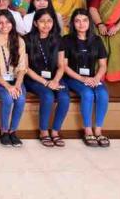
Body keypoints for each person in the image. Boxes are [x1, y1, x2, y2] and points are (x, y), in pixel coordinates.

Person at [62, 9, 111, 147]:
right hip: (73, 77)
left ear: (90, 22)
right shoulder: (66, 40)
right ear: (73, 24)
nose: (81, 24)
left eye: (84, 20)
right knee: (87, 93)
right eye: (77, 21)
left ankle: (98, 130)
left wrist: (97, 78)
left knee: (103, 93)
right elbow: (64, 66)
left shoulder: (97, 40)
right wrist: (82, 79)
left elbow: (103, 65)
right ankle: (88, 130)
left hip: (93, 77)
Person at [23, 10, 70, 148]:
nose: (46, 24)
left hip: (54, 77)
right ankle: (43, 132)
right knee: (48, 96)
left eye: (49, 21)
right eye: (42, 21)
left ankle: (55, 131)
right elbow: (26, 68)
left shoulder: (58, 39)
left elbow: (61, 66)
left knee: (64, 98)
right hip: (34, 79)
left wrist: (55, 81)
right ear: (35, 23)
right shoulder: (27, 40)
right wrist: (45, 82)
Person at [0, 10, 28, 147]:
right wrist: (8, 86)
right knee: (7, 98)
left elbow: (22, 67)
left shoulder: (19, 41)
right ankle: (4, 132)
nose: (4, 25)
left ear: (12, 23)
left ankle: (13, 131)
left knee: (20, 98)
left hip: (15, 80)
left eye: (7, 22)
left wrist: (17, 85)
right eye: (0, 23)